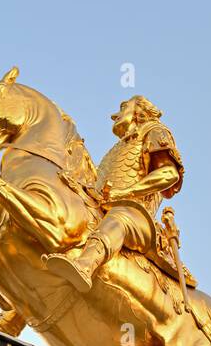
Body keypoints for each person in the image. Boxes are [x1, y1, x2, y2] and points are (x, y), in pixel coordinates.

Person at [44, 95, 184, 292]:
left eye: (123, 108)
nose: (114, 115)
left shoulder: (154, 131)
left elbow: (168, 174)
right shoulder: (120, 146)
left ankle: (85, 265)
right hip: (105, 206)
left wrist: (125, 192)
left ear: (138, 112)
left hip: (136, 215)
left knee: (120, 219)